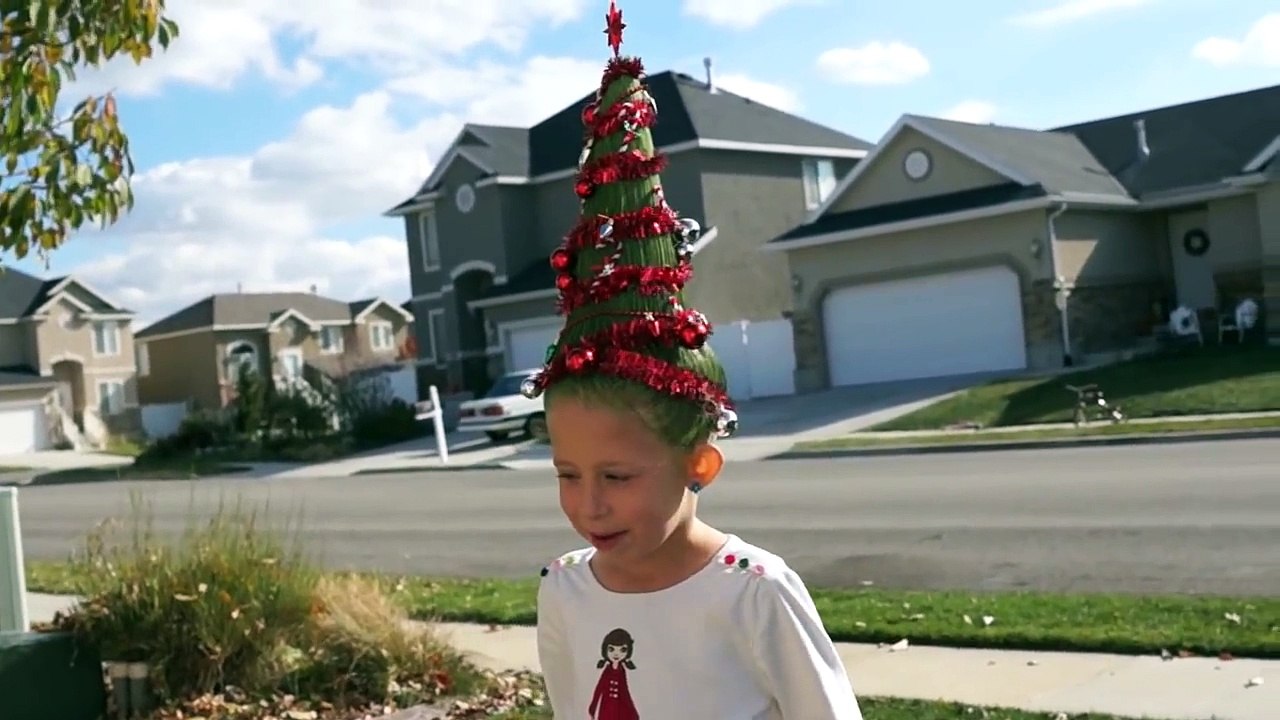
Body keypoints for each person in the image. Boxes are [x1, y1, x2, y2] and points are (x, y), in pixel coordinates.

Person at [519, 3, 863, 717]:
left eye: (615, 475)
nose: (589, 503)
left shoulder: (751, 590)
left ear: (698, 465)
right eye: (567, 474)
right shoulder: (564, 588)